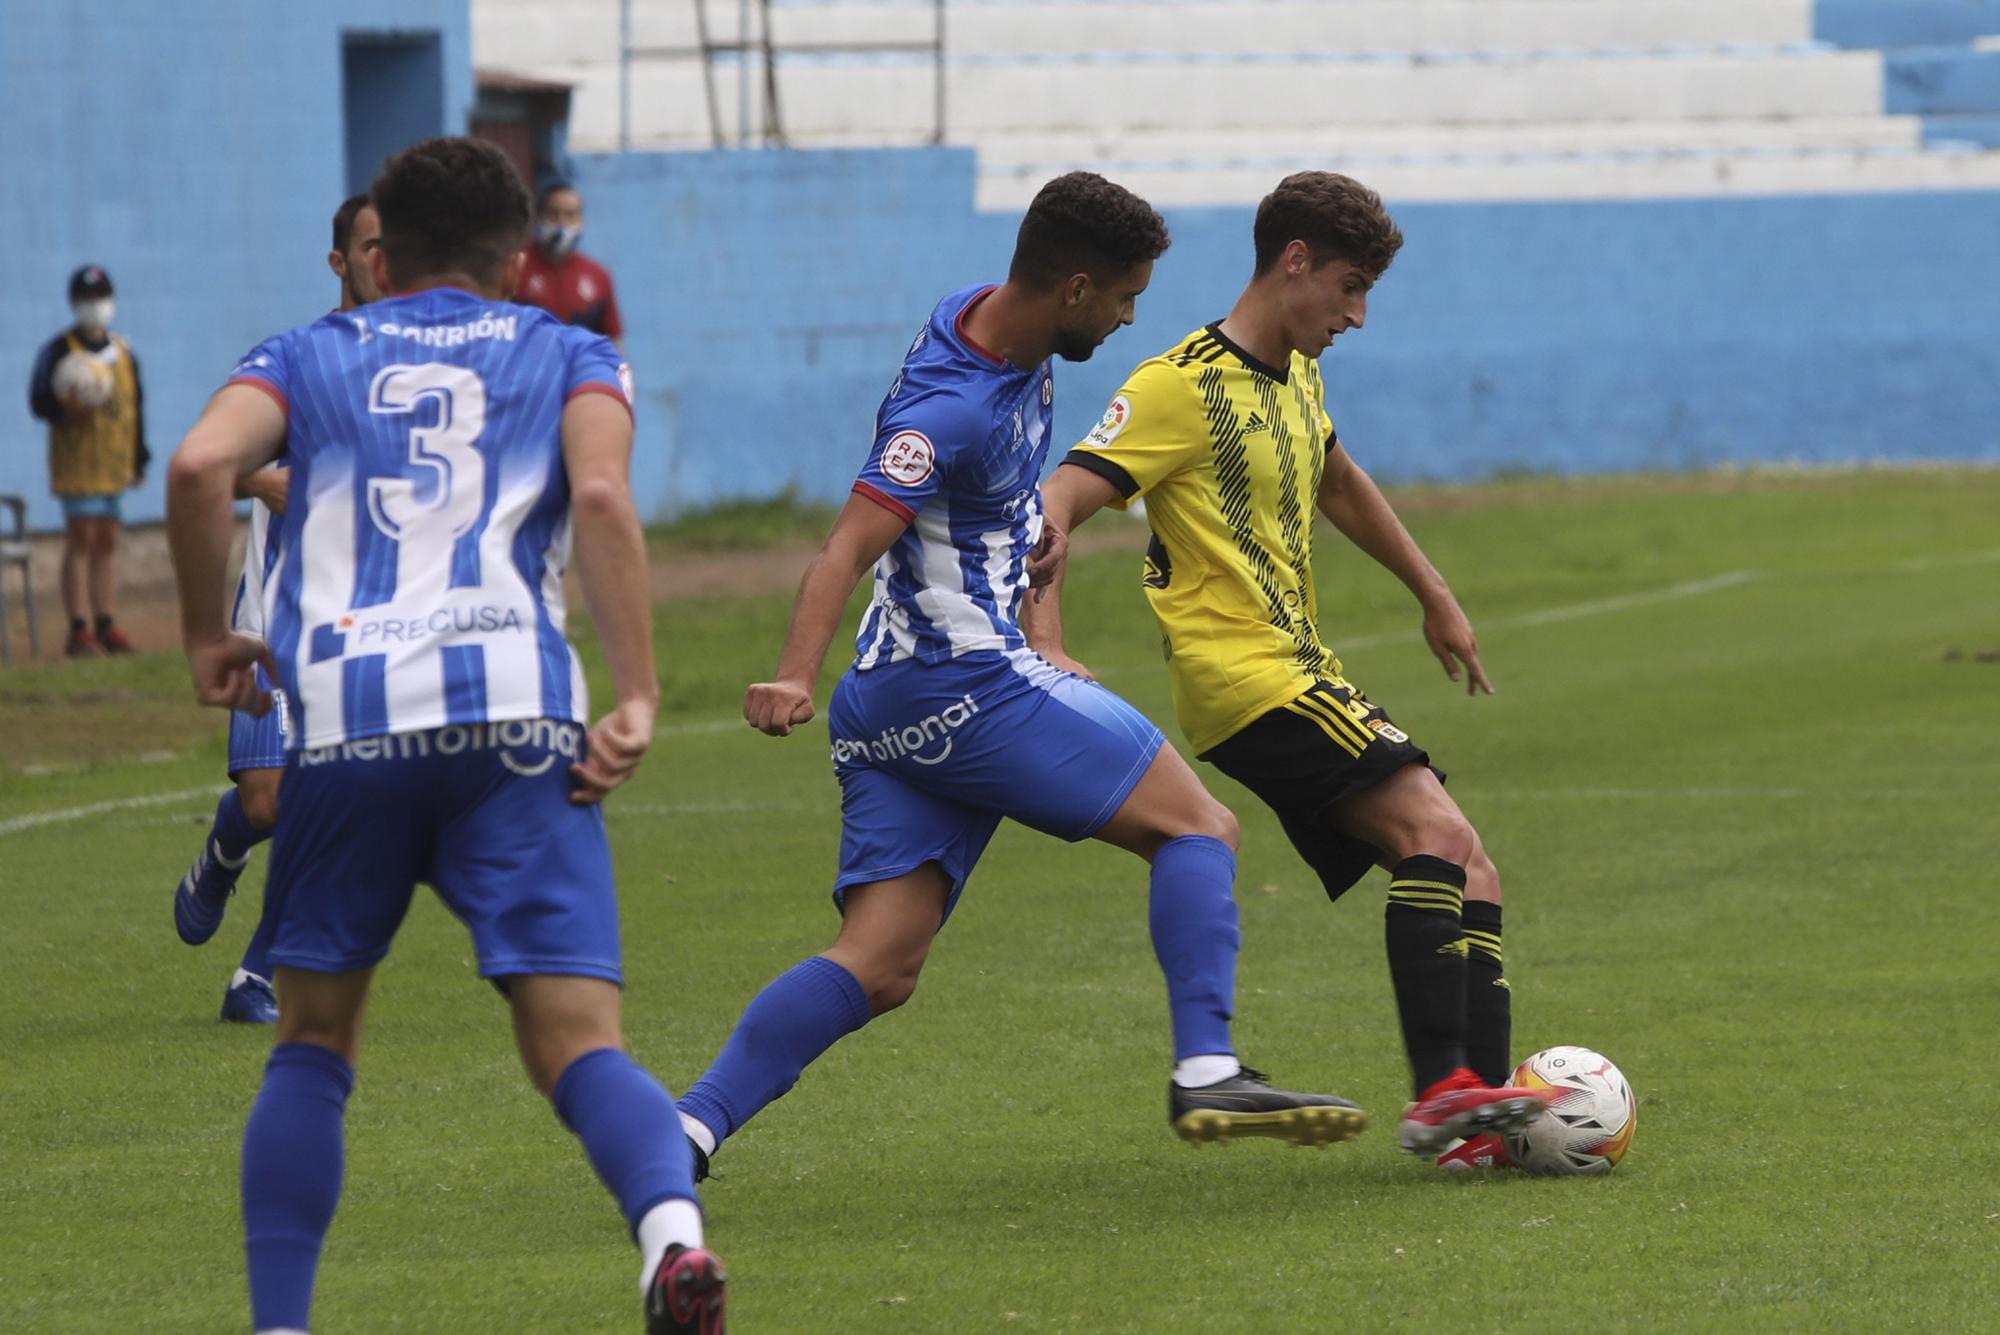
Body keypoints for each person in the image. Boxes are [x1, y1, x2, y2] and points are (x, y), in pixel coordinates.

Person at [674, 172, 1362, 1187]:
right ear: (1075, 289)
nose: (1132, 313)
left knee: (879, 963)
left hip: (893, 703)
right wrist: (785, 675)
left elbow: (999, 509)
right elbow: (844, 549)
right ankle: (1208, 1068)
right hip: (956, 684)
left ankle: (684, 1129)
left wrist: (1031, 579)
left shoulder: (992, 329)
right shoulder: (945, 412)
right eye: (1125, 293)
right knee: (1197, 827)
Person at [165, 137, 725, 1333]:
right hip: (518, 719)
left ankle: (280, 1324)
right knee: (579, 1043)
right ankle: (672, 1240)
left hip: (348, 726)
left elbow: (200, 463)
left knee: (313, 1043)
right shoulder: (573, 348)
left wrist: (208, 637)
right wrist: (634, 694)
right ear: (517, 254)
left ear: (382, 251)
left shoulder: (305, 353)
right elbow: (606, 500)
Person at [1028, 171, 1551, 1169]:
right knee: (1432, 831)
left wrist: (1430, 592)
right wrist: (1046, 641)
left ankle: (1477, 1121)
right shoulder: (1174, 385)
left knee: (1464, 860)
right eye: (1347, 289)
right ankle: (1442, 1089)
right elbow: (1053, 501)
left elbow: (1339, 481)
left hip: (1296, 670)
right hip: (1246, 681)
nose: (1355, 316)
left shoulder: (1299, 374)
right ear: (1293, 261)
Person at [172, 194, 387, 1026]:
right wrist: (265, 478)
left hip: (373, 628)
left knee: (334, 810)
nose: (384, 260)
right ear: (339, 261)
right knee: (268, 801)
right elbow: (210, 456)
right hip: (278, 613)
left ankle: (257, 975)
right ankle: (227, 845)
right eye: (370, 246)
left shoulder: (419, 370)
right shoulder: (294, 359)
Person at [27, 264, 148, 656]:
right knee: (82, 539)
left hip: (114, 462)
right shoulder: (60, 351)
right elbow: (39, 400)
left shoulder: (124, 352)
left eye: (99, 298)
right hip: (78, 463)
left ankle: (106, 620)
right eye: (86, 299)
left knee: (108, 540)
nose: (94, 307)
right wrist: (66, 411)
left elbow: (135, 406)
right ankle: (78, 627)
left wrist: (139, 457)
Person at [517, 182, 624, 345]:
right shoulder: (515, 268)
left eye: (570, 215)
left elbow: (614, 342)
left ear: (581, 221)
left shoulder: (598, 276)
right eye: (554, 214)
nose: (562, 223)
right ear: (538, 217)